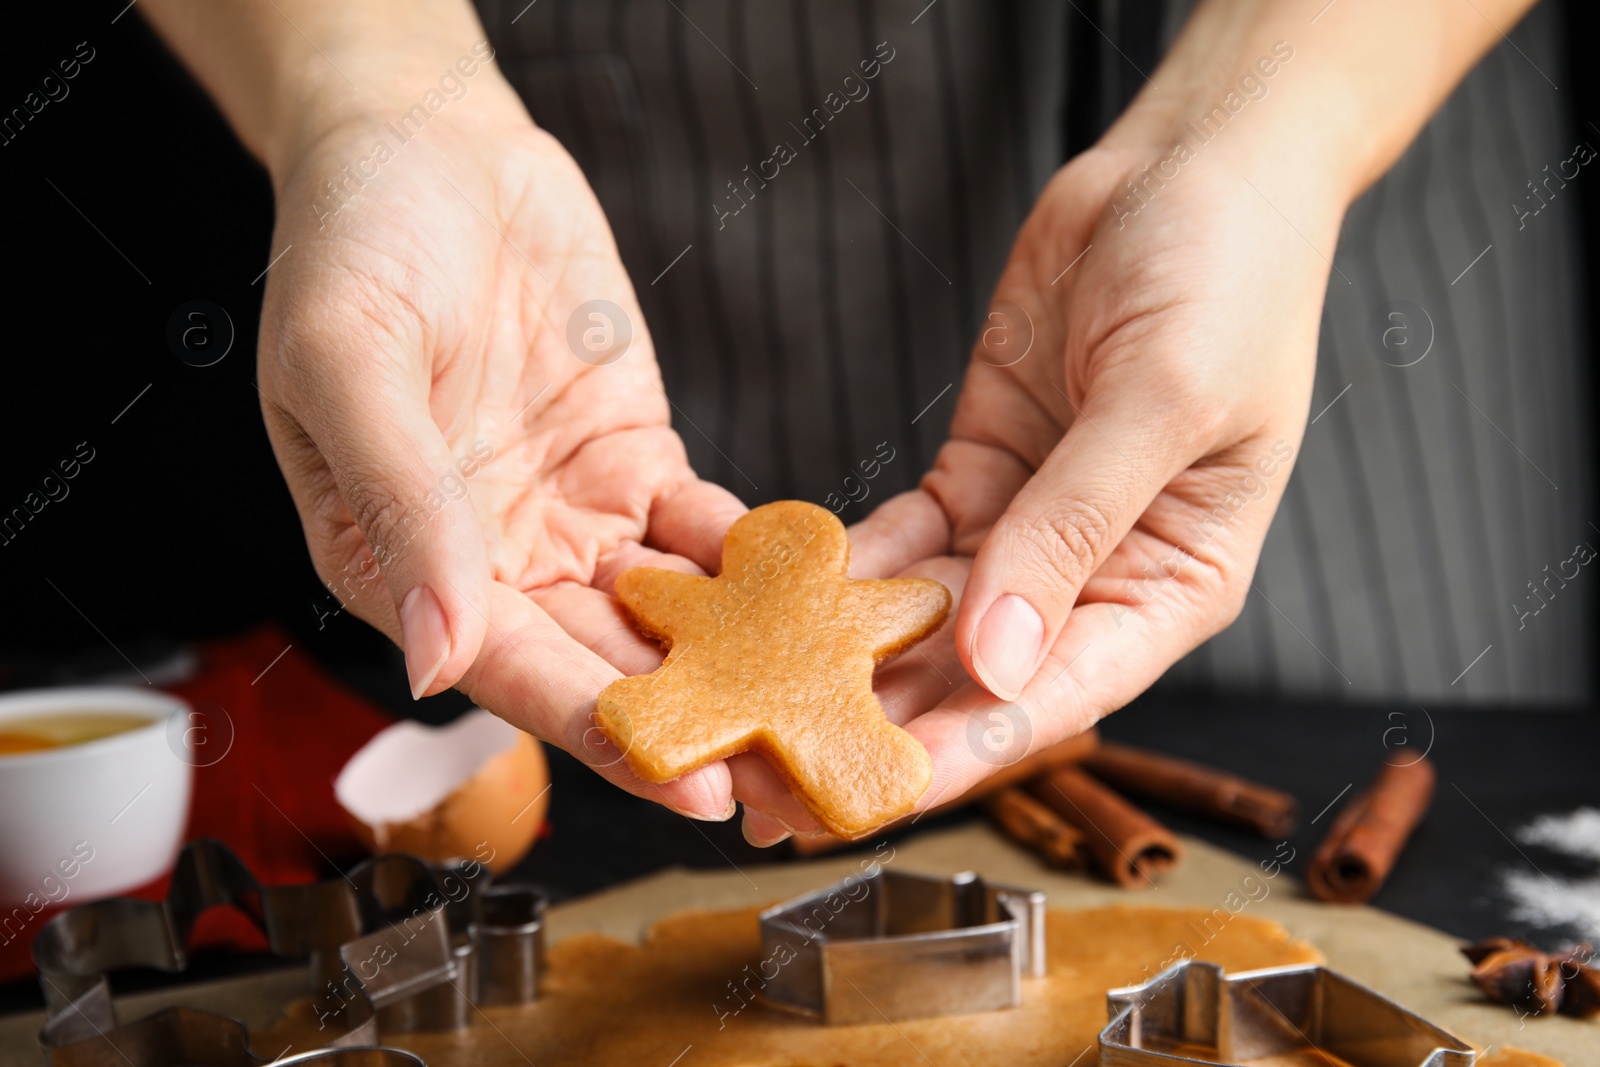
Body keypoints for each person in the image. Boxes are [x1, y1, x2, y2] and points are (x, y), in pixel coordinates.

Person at [140, 0, 1588, 847]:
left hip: (1320, 253)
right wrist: (375, 98)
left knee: (1412, 842)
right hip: (611, 315)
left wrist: (1268, 136)